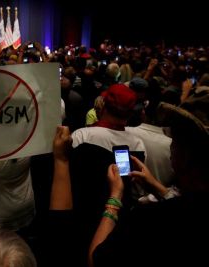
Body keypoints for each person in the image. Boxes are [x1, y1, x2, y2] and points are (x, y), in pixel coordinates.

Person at [88, 93, 209, 267]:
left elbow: (96, 258)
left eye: (174, 141)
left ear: (184, 155)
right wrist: (158, 187)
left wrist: (114, 198)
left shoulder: (149, 220)